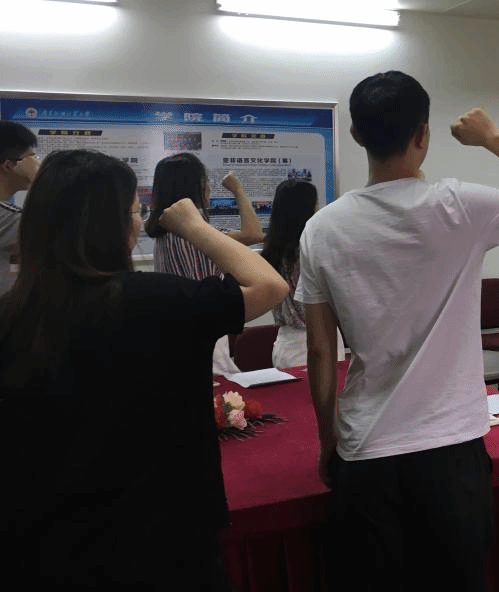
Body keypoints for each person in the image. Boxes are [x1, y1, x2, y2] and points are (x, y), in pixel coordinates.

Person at [298, 71, 499, 591]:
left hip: (367, 449)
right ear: (423, 134)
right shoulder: (459, 206)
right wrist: (493, 138)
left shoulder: (321, 229)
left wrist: (327, 439)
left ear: (356, 135)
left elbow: (319, 350)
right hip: (451, 451)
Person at [0, 149, 288, 590]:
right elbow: (269, 284)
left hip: (46, 550)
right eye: (135, 211)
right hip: (166, 545)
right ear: (117, 225)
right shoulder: (159, 301)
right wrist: (195, 226)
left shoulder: (12, 315)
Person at [145, 153, 264, 374]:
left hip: (178, 330)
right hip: (203, 330)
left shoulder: (164, 230)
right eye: (205, 182)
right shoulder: (194, 233)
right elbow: (254, 233)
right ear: (197, 187)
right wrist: (238, 190)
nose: (208, 188)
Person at [261, 178, 342, 368]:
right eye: (316, 205)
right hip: (315, 339)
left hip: (287, 342)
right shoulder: (311, 250)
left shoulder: (272, 251)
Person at [0, 121, 40, 295]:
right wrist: (39, 177)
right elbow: (70, 231)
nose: (37, 163)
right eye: (32, 158)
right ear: (9, 165)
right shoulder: (8, 218)